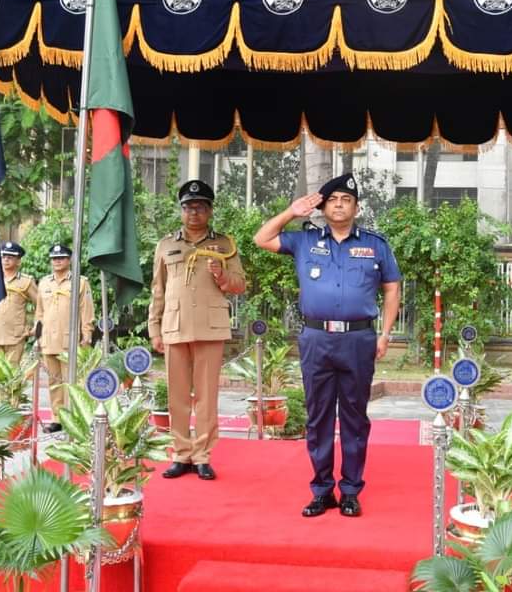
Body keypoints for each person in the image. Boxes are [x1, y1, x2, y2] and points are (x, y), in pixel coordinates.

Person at [253, 173, 401, 517]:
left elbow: (392, 288)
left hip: (358, 339)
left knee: (354, 416)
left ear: (357, 207)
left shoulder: (375, 245)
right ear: (322, 206)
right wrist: (292, 211)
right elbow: (261, 238)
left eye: (346, 200)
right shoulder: (305, 241)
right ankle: (322, 490)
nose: (338, 204)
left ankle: (350, 490)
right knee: (318, 416)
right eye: (332, 199)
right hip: (317, 338)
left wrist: (386, 333)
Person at [149, 180, 246, 481]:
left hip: (210, 328)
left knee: (206, 396)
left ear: (210, 211)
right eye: (189, 207)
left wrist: (222, 276)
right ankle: (181, 454)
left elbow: (240, 284)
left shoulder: (225, 245)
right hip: (174, 327)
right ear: (181, 210)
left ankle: (202, 456)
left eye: (200, 207)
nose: (194, 212)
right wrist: (155, 328)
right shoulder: (166, 245)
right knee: (177, 395)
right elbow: (158, 289)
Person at [35, 243, 94, 432]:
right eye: (54, 258)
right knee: (54, 381)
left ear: (69, 260)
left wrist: (87, 334)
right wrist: (37, 336)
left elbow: (86, 311)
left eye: (61, 258)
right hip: (48, 340)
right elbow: (39, 312)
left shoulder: (80, 281)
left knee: (72, 381)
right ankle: (57, 418)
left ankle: (74, 418)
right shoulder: (44, 282)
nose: (57, 261)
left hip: (70, 339)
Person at [0, 241, 41, 366]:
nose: (6, 260)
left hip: (15, 337)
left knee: (12, 376)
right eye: (4, 257)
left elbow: (40, 304)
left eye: (10, 257)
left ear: (18, 261)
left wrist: (36, 324)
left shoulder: (26, 282)